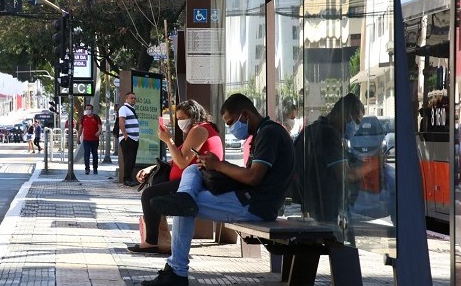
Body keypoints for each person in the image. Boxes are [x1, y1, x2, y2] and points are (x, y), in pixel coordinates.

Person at [143, 93, 295, 286]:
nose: (231, 128)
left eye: (231, 122)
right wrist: (214, 167)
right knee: (192, 172)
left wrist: (219, 165)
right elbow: (249, 174)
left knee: (180, 206)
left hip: (255, 205)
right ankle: (185, 197)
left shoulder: (269, 133)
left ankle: (177, 273)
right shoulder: (261, 133)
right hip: (246, 198)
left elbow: (253, 177)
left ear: (246, 115)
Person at [127, 100, 223, 254]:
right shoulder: (197, 130)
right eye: (178, 119)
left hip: (196, 181)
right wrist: (151, 167)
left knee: (149, 194)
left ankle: (152, 241)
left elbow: (183, 162)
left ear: (194, 115)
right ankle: (156, 237)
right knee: (153, 190)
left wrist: (168, 140)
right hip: (187, 179)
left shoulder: (200, 130)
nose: (180, 122)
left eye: (183, 117)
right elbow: (176, 159)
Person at [292, 93, 365, 224]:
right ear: (347, 115)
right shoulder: (328, 134)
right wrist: (373, 164)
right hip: (324, 213)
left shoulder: (313, 130)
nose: (356, 127)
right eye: (356, 121)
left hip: (313, 209)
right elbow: (346, 175)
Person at [118, 92, 140, 186]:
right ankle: (126, 179)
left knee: (132, 160)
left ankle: (130, 178)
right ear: (126, 99)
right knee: (128, 159)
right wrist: (125, 136)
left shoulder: (132, 109)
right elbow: (121, 122)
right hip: (128, 139)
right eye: (131, 98)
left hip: (135, 138)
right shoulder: (124, 108)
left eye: (135, 98)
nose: (133, 100)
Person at [78, 104, 102, 175]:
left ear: (92, 110)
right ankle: (87, 169)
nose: (88, 110)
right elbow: (80, 128)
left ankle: (95, 168)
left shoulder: (96, 117)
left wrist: (98, 132)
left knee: (95, 154)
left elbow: (100, 126)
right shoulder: (83, 118)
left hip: (95, 139)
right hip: (86, 139)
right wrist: (78, 137)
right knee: (86, 154)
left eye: (89, 109)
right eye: (87, 109)